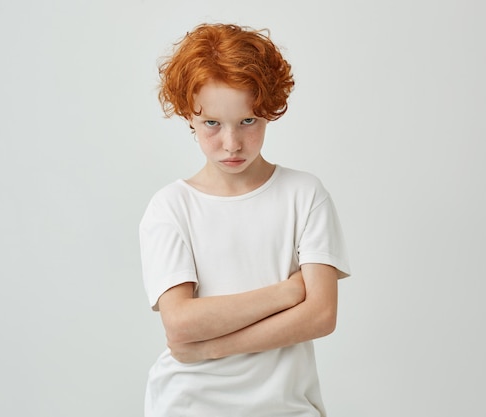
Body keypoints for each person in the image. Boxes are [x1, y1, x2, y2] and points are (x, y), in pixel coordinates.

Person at [139, 22, 351, 417]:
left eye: (248, 122)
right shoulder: (170, 207)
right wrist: (287, 293)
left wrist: (211, 347)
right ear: (189, 115)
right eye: (212, 124)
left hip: (287, 408)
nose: (232, 143)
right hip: (188, 404)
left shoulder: (305, 195)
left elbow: (321, 315)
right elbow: (181, 325)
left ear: (268, 110)